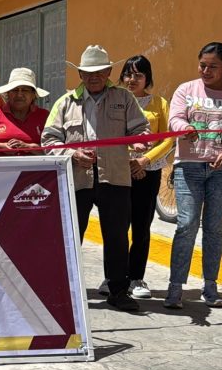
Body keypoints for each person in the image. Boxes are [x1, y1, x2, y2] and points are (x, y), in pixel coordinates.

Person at [41, 45, 150, 312]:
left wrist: (139, 143)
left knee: (116, 237)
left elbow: (141, 128)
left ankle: (118, 291)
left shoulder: (123, 98)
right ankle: (62, 289)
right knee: (70, 236)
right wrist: (72, 154)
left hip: (115, 177)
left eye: (99, 72)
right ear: (79, 73)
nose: (93, 77)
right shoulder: (65, 102)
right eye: (88, 73)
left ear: (109, 71)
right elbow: (48, 140)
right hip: (76, 179)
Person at [164, 42, 222, 309]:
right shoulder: (186, 89)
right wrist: (185, 128)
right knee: (186, 225)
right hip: (189, 167)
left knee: (214, 228)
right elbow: (175, 119)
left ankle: (210, 287)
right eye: (202, 65)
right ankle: (175, 287)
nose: (206, 70)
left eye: (213, 66)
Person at [117, 55, 174, 299]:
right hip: (118, 170)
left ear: (147, 78)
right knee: (117, 226)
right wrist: (127, 162)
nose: (132, 79)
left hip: (147, 172)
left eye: (138, 75)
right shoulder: (115, 101)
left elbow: (169, 138)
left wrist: (143, 161)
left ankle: (136, 278)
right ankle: (115, 276)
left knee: (141, 226)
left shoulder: (160, 103)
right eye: (128, 74)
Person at [0, 67, 50, 155]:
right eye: (15, 90)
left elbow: (54, 148)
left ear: (33, 95)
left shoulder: (44, 116)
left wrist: (29, 147)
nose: (19, 94)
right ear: (8, 94)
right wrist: (3, 147)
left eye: (25, 90)